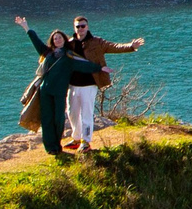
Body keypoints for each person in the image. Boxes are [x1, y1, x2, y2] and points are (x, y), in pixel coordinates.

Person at [14, 17, 106, 157]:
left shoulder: (69, 57)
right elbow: (36, 42)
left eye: (60, 38)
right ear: (52, 41)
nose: (57, 40)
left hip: (59, 93)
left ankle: (57, 145)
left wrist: (101, 68)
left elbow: (85, 66)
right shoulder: (48, 53)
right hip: (45, 91)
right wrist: (26, 27)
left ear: (64, 39)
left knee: (58, 119)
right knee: (47, 119)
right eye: (55, 38)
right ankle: (50, 147)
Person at [64, 15, 145, 154]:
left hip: (89, 84)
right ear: (74, 28)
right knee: (72, 112)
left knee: (86, 113)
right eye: (78, 26)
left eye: (83, 26)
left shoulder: (97, 42)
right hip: (72, 84)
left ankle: (86, 141)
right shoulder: (70, 43)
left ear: (87, 26)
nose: (80, 29)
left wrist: (131, 46)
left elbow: (114, 47)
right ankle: (76, 138)